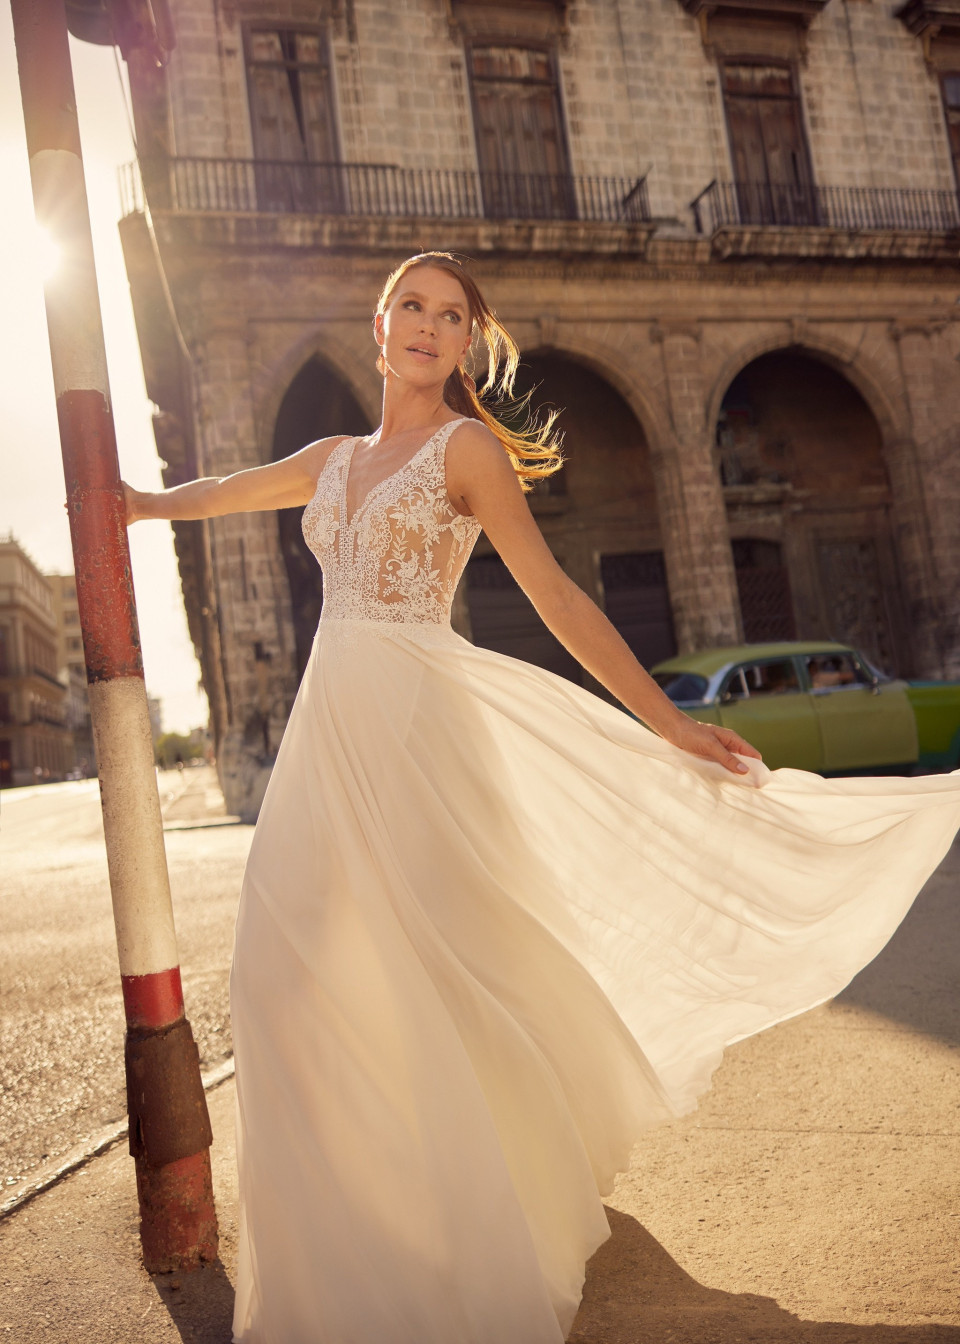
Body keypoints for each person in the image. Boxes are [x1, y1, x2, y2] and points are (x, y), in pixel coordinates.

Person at [124, 252, 960, 1344]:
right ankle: (354, 1224)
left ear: (468, 344)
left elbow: (555, 596)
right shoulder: (333, 458)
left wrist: (667, 721)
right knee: (278, 977)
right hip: (328, 743)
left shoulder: (466, 451)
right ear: (379, 328)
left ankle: (464, 1232)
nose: (428, 327)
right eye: (410, 307)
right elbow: (227, 491)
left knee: (434, 973)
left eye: (451, 316)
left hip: (421, 734)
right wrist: (132, 503)